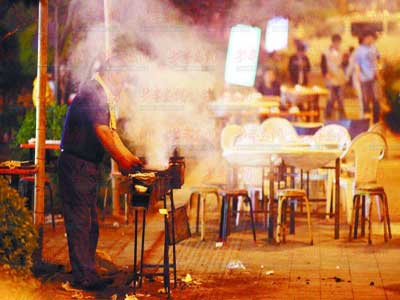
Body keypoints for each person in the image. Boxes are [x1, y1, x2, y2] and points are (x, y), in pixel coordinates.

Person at [58, 57, 143, 290]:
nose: (123, 82)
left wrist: (130, 158)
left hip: (85, 166)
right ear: (112, 73)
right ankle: (84, 277)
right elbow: (103, 132)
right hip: (77, 165)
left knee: (90, 224)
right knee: (81, 223)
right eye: (122, 76)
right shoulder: (93, 92)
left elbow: (112, 132)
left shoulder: (101, 93)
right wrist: (123, 160)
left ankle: (88, 272)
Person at [353, 31, 380, 123]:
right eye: (370, 37)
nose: (371, 39)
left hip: (374, 78)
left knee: (376, 99)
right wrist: (358, 75)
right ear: (364, 38)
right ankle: (366, 121)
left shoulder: (374, 48)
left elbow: (376, 60)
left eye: (372, 37)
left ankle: (376, 121)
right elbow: (357, 64)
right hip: (364, 78)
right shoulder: (359, 50)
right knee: (365, 100)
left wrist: (377, 72)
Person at [321, 34, 347, 119]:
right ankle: (328, 117)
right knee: (330, 98)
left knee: (341, 99)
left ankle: (342, 118)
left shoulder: (342, 51)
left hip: (340, 78)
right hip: (330, 78)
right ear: (332, 42)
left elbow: (345, 64)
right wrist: (325, 74)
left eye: (338, 42)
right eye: (336, 42)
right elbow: (323, 65)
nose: (337, 44)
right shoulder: (326, 52)